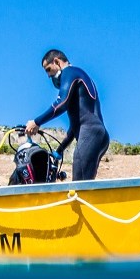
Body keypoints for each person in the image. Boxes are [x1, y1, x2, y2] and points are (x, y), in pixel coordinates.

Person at [24, 49, 109, 181]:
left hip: (90, 132)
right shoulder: (79, 76)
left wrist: (36, 122)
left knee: (79, 185)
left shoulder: (69, 72)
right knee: (85, 182)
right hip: (99, 134)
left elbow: (61, 102)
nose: (48, 75)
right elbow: (76, 125)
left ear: (56, 62)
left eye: (48, 69)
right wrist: (60, 149)